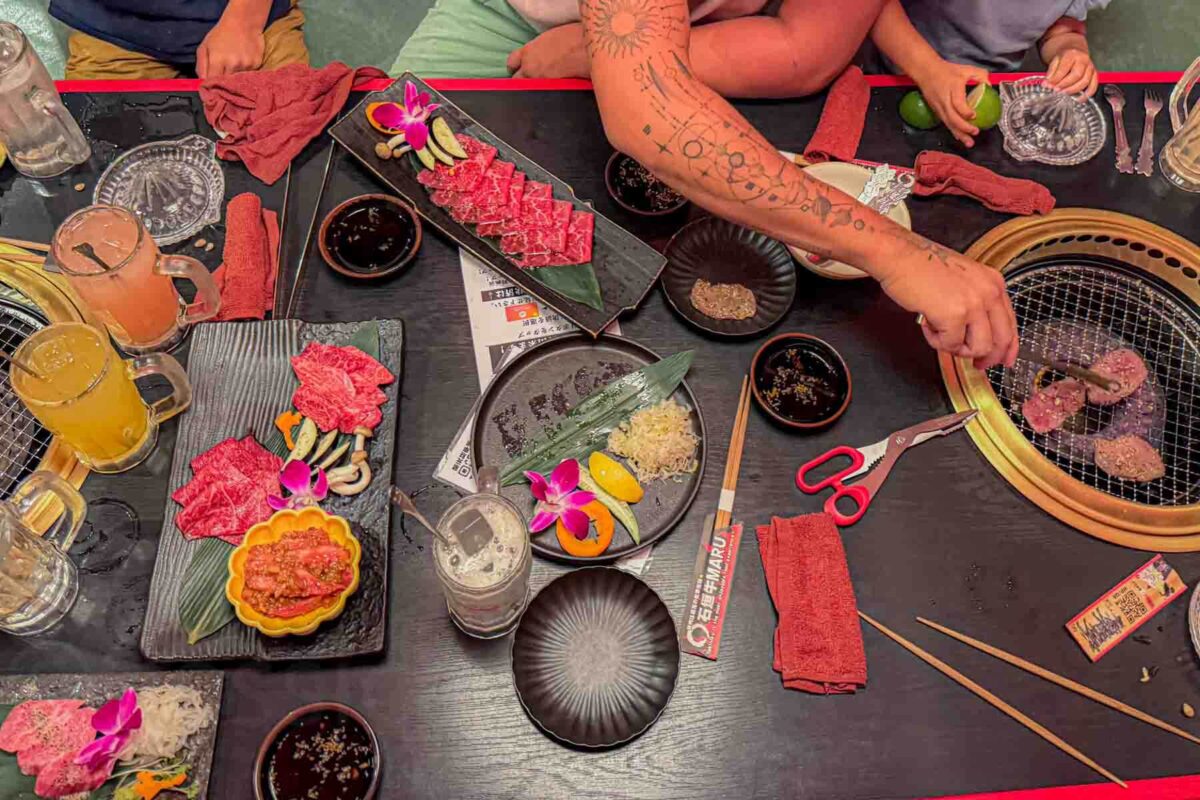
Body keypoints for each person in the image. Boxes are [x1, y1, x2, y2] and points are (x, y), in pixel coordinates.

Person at [395, 0, 889, 98]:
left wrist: (593, 55)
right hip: (510, 14)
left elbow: (804, 47)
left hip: (707, 36)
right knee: (389, 137)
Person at [870, 0, 1109, 146]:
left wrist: (1070, 49)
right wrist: (928, 70)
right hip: (895, 75)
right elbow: (869, 8)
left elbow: (1063, 30)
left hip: (989, 91)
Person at [49, 0, 309, 80]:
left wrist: (245, 20)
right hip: (114, 22)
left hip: (247, 10)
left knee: (293, 141)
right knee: (99, 164)